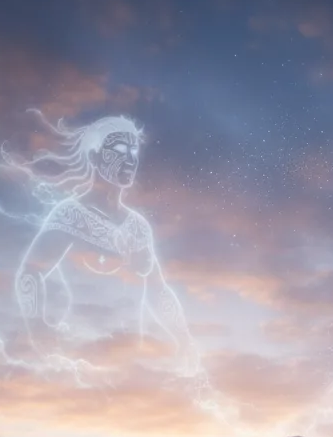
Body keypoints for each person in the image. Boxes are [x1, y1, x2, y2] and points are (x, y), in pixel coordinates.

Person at [11, 114, 201, 377]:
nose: (130, 159)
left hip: (133, 366)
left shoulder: (139, 227)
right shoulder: (71, 214)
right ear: (94, 157)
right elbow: (31, 271)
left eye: (133, 151)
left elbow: (158, 290)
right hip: (82, 362)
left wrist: (184, 338)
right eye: (119, 151)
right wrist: (37, 326)